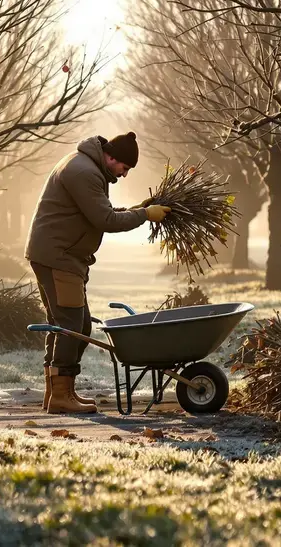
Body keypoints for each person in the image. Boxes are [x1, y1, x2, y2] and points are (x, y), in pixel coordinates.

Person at [25, 132, 170, 414]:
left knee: (72, 325)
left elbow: (101, 211)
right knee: (70, 326)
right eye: (125, 167)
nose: (125, 174)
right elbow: (106, 220)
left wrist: (138, 210)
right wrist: (144, 215)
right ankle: (60, 396)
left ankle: (58, 393)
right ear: (111, 157)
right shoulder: (85, 172)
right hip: (59, 257)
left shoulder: (86, 166)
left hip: (60, 255)